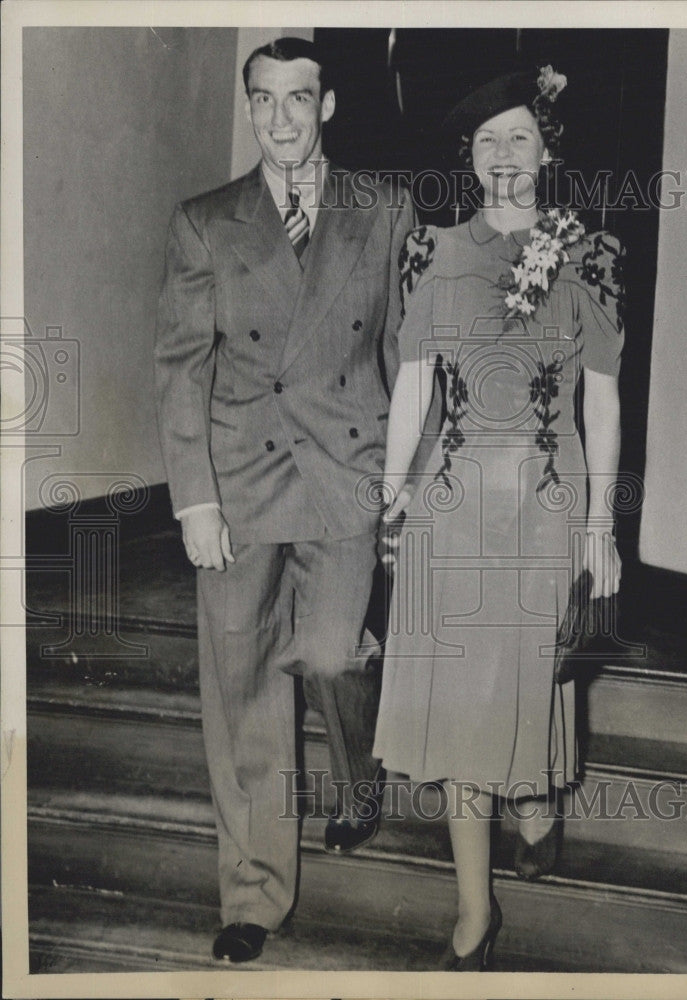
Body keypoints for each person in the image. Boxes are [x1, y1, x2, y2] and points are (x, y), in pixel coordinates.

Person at [154, 37, 414, 963]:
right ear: (251, 107)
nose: (280, 119)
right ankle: (255, 895)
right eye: (262, 100)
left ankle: (362, 776)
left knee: (335, 656)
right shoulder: (206, 220)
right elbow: (182, 369)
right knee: (244, 686)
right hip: (241, 478)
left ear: (328, 106)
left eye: (298, 100)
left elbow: (399, 353)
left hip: (347, 473)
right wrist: (195, 501)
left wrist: (405, 480)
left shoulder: (380, 209)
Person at [372, 67, 624, 970]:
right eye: (487, 142)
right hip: (451, 512)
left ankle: (537, 802)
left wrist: (601, 525)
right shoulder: (430, 251)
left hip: (544, 514)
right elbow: (411, 384)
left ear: (546, 148)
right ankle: (474, 911)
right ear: (469, 161)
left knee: (533, 682)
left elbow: (602, 401)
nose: (504, 156)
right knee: (460, 720)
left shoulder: (588, 253)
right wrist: (392, 493)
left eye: (519, 137)